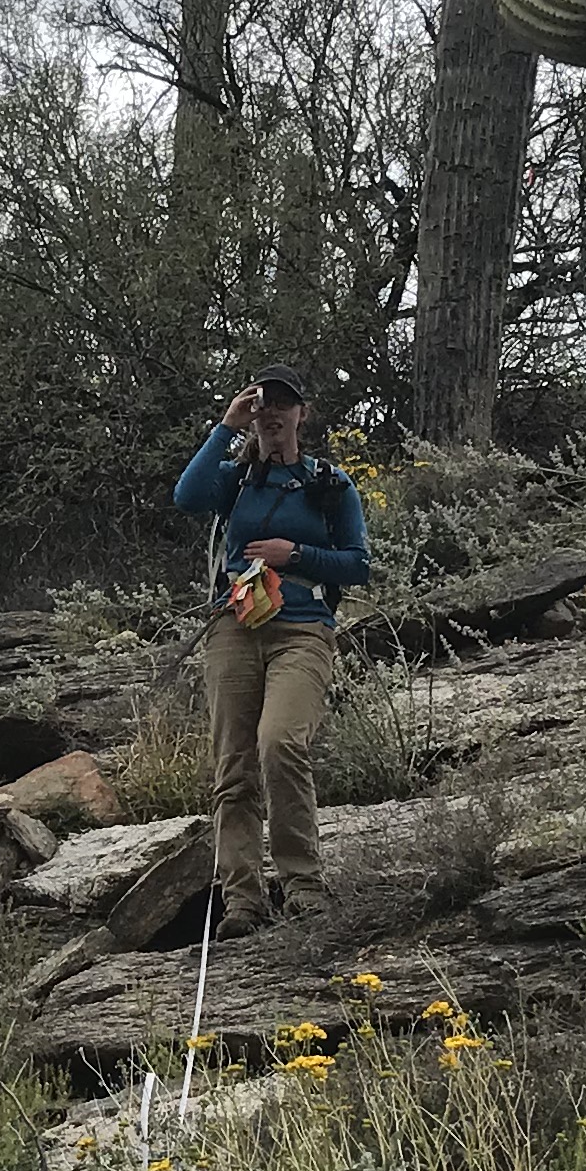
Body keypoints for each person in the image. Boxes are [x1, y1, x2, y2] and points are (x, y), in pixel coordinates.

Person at [172, 371, 372, 932]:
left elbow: (358, 563)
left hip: (303, 629)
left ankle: (303, 884)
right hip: (233, 628)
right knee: (233, 766)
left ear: (302, 414)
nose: (272, 414)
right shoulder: (234, 481)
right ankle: (243, 900)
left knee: (280, 744)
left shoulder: (330, 485)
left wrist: (296, 553)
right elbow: (186, 496)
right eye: (262, 405)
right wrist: (226, 427)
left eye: (283, 404)